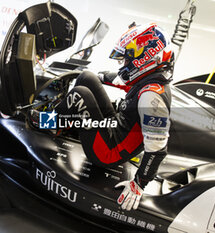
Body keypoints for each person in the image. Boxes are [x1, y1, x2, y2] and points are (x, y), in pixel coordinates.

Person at [30, 22, 174, 211]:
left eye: (125, 59)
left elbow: (157, 150)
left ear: (144, 58)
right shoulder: (151, 78)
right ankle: (62, 120)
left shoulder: (151, 96)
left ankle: (48, 123)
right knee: (86, 77)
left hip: (109, 151)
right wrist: (96, 76)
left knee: (80, 94)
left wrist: (138, 184)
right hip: (115, 129)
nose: (122, 64)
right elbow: (117, 78)